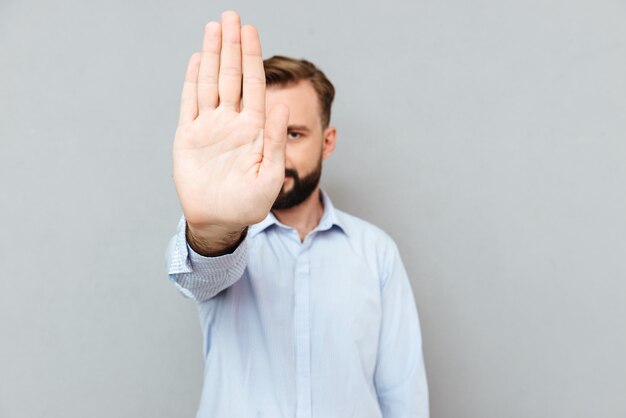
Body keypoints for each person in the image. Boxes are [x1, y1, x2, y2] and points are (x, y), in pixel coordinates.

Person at [165, 10, 429, 418]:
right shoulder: (231, 240)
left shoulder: (376, 252)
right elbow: (200, 273)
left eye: (293, 134)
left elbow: (402, 395)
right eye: (261, 134)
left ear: (327, 142)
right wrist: (214, 226)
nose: (274, 152)